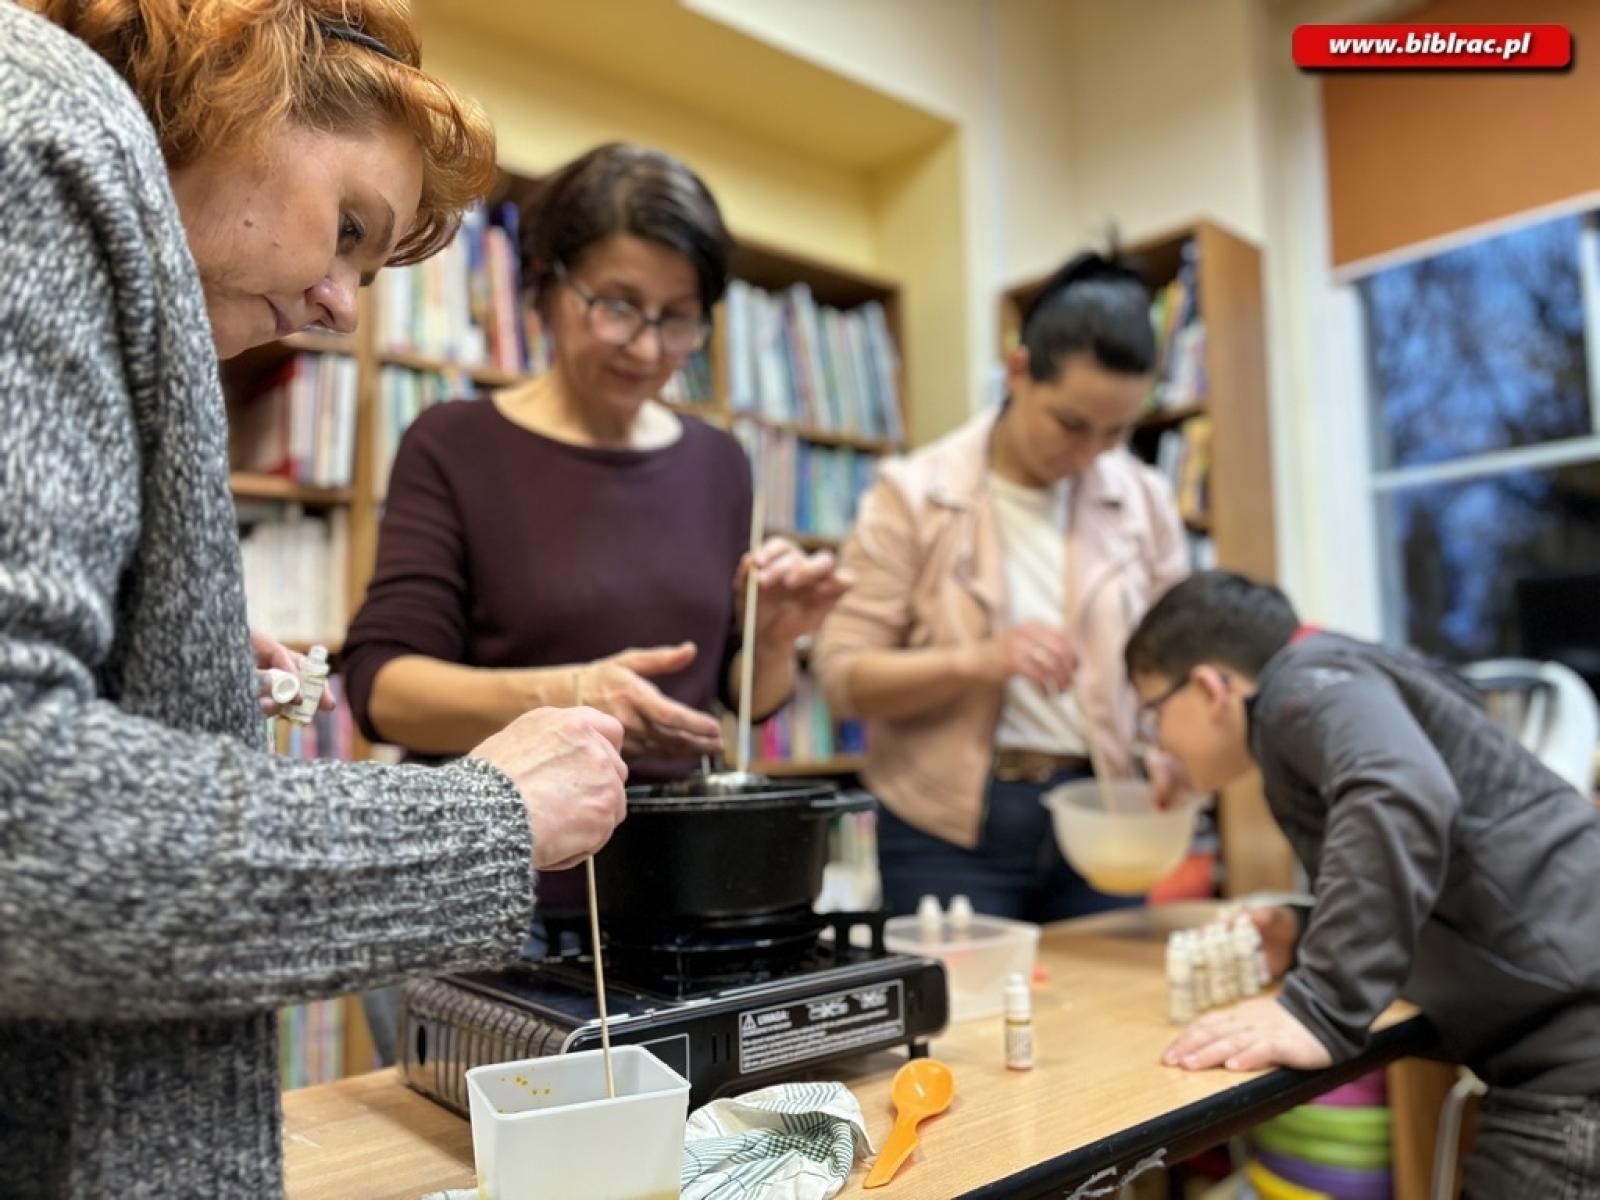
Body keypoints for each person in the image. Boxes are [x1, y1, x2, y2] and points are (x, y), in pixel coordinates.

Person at [0, 3, 629, 1195]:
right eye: (348, 228)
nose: (345, 305)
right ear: (234, 77)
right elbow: (21, 812)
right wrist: (489, 821)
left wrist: (143, 657)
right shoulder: (45, 123)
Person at [341, 141, 851, 872]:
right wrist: (570, 693)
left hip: (676, 885)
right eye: (618, 306)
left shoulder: (720, 462)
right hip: (498, 880)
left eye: (677, 319)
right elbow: (383, 690)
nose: (646, 348)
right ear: (547, 286)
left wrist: (771, 641)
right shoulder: (455, 443)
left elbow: (746, 705)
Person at [1125, 570, 1600, 1196]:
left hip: (1574, 1066)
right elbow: (1448, 860)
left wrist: (1320, 1004)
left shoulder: (1301, 688)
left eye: (1153, 711)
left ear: (1211, 687)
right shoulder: (1339, 674)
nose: (1156, 740)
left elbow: (1400, 791)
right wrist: (1304, 930)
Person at [812, 252, 1189, 922]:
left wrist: (1171, 749)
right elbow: (843, 677)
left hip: (1103, 813)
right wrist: (980, 662)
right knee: (963, 1024)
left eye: (1116, 432)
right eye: (1071, 423)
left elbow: (1177, 663)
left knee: (1107, 1015)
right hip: (943, 826)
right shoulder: (913, 492)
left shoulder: (1146, 500)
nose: (1090, 454)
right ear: (1018, 371)